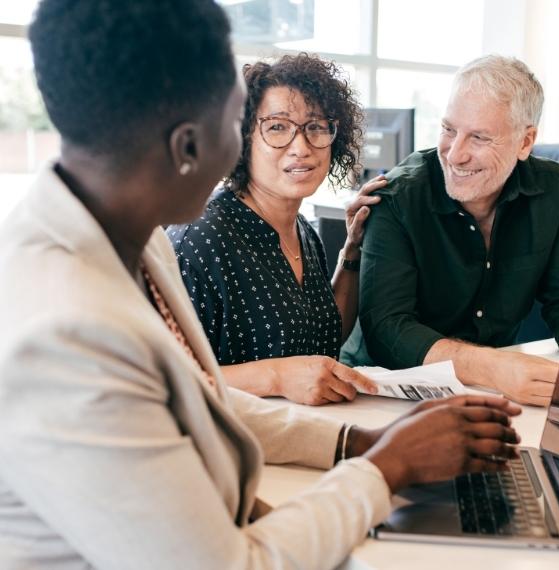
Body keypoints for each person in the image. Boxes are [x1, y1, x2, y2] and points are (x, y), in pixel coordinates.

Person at [0, 2, 522, 568]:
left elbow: (201, 398)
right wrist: (385, 469)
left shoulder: (129, 236)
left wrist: (358, 444)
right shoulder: (62, 334)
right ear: (189, 145)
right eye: (243, 123)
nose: (291, 147)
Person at [342, 55, 559, 406]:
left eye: (479, 137)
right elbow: (387, 330)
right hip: (384, 388)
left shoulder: (553, 188)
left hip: (488, 390)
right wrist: (493, 367)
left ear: (525, 142)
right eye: (448, 130)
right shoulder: (397, 196)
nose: (455, 154)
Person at [168, 54, 387, 405]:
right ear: (240, 139)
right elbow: (167, 379)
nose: (301, 148)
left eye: (315, 127)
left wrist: (352, 250)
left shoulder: (301, 230)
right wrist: (276, 377)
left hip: (302, 433)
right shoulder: (201, 239)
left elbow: (322, 340)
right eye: (277, 127)